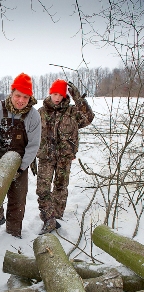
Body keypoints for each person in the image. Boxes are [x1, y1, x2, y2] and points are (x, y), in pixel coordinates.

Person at [0, 73, 41, 238]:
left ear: (30, 97)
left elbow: (33, 145)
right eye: (18, 95)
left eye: (26, 97)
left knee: (18, 198)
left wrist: (22, 168)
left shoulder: (33, 116)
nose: (21, 100)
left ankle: (13, 233)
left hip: (20, 159)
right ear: (11, 93)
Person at [36, 79, 95, 234]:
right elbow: (31, 133)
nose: (57, 97)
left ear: (64, 95)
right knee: (42, 189)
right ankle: (48, 217)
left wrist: (78, 98)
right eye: (54, 94)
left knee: (60, 188)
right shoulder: (41, 112)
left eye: (60, 94)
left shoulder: (72, 112)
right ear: (50, 93)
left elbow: (88, 117)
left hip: (64, 158)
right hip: (46, 157)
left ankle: (57, 216)